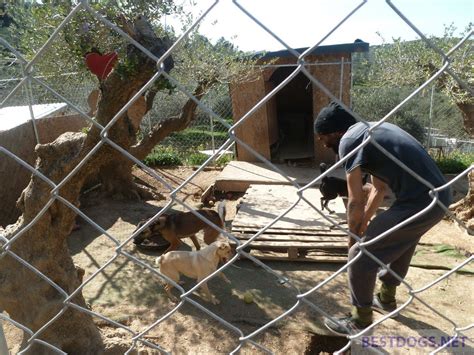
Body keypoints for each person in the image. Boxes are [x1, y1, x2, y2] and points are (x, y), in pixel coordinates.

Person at [313, 101, 452, 336]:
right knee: (401, 242)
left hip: (418, 202)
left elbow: (355, 200)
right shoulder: (371, 131)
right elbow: (378, 188)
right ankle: (386, 300)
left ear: (335, 132)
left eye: (322, 136)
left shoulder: (349, 141)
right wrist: (365, 222)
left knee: (360, 256)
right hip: (436, 198)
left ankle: (360, 320)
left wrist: (355, 238)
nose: (321, 143)